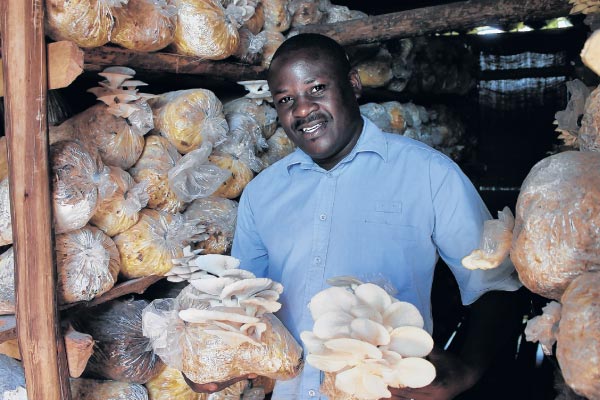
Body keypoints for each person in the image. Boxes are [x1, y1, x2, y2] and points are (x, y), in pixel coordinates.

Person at [188, 33, 525, 400]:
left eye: (316, 89)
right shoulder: (262, 193)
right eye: (286, 99)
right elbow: (246, 308)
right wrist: (218, 361)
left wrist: (469, 370)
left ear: (353, 85)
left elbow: (496, 284)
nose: (302, 110)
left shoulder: (427, 173)